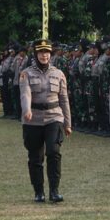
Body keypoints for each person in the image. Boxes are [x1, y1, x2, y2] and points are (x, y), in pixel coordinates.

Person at [19, 39, 71, 203]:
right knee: (35, 157)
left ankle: (54, 191)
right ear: (35, 54)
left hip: (53, 117)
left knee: (53, 153)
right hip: (33, 119)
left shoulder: (59, 73)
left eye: (47, 52)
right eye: (41, 52)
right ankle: (38, 191)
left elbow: (64, 100)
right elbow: (25, 93)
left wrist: (68, 123)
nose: (44, 55)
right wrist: (26, 109)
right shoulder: (26, 73)